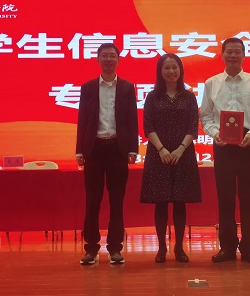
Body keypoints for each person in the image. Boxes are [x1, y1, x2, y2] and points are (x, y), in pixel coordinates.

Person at [199, 37, 250, 264]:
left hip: (248, 144)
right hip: (223, 146)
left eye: (237, 52)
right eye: (229, 52)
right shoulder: (211, 83)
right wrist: (215, 133)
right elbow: (205, 115)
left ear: (243, 55)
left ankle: (248, 247)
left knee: (248, 198)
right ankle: (227, 247)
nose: (232, 55)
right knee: (225, 198)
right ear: (222, 55)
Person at [76, 43, 139, 265]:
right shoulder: (88, 88)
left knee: (117, 201)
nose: (109, 59)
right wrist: (79, 150)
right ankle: (91, 249)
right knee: (92, 201)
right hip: (94, 149)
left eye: (112, 56)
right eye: (105, 56)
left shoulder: (127, 87)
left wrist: (133, 148)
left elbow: (132, 119)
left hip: (117, 149)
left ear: (118, 60)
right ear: (98, 59)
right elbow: (83, 120)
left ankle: (115, 249)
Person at [140, 54, 201, 263]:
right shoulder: (152, 97)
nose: (171, 71)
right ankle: (161, 248)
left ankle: (179, 247)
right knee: (161, 202)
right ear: (160, 71)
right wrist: (162, 149)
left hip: (183, 154)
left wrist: (180, 149)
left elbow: (193, 127)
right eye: (167, 68)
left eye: (175, 67)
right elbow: (148, 126)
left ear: (180, 70)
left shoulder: (189, 97)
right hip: (159, 154)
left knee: (180, 202)